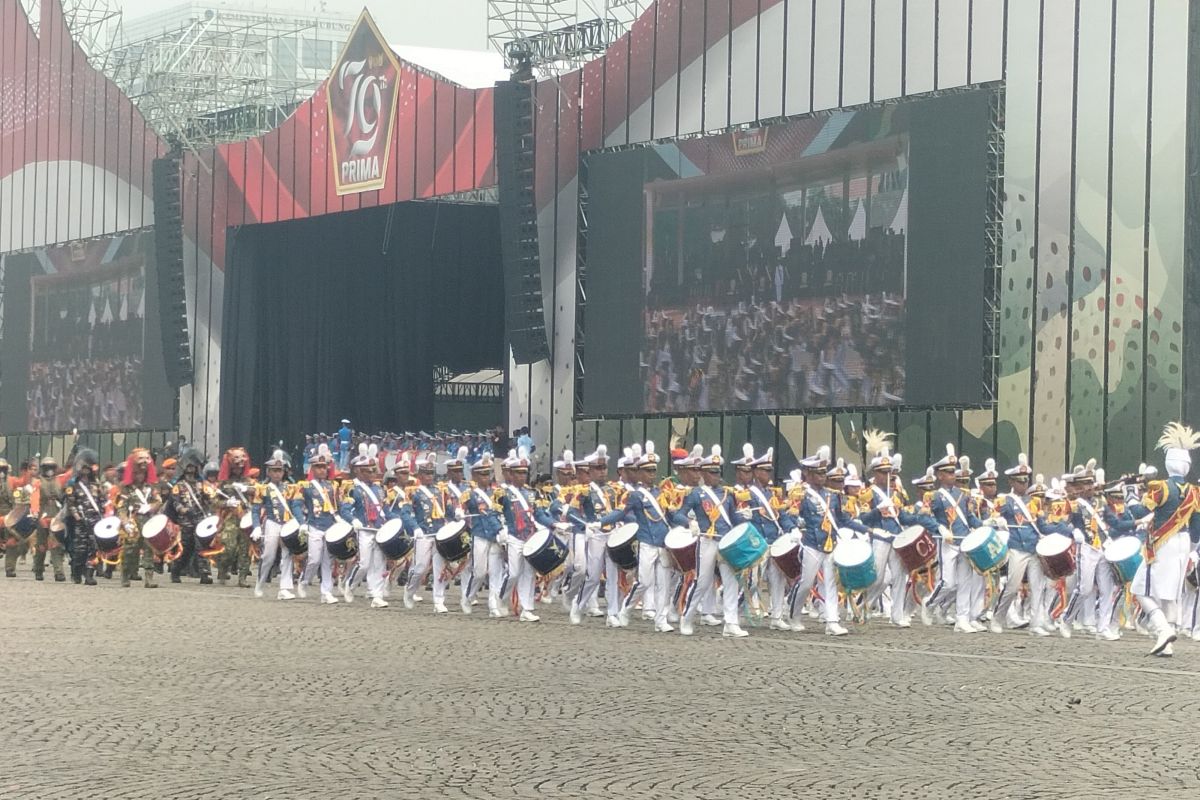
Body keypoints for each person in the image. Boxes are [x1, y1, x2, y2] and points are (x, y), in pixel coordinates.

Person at [1126, 422, 1200, 657]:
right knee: (1170, 593)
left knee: (1140, 588)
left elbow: (1140, 512)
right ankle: (1166, 644)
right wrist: (1193, 549)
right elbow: (1197, 526)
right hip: (1184, 543)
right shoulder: (1194, 492)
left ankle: (1162, 629)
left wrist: (1129, 496)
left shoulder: (1161, 487)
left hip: (1162, 544)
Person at [675, 445, 745, 637]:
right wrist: (690, 523)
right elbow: (678, 515)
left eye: (718, 472)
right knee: (702, 581)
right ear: (704, 474)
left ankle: (731, 622)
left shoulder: (727, 493)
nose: (716, 476)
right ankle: (687, 617)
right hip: (706, 540)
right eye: (712, 473)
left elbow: (733, 518)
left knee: (731, 581)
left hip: (725, 541)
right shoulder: (696, 494)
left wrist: (744, 516)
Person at [340, 443, 390, 608]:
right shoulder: (351, 487)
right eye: (367, 471)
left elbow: (386, 509)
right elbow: (345, 509)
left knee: (379, 563)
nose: (372, 474)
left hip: (378, 528)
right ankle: (350, 585)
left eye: (373, 470)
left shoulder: (378, 489)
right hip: (364, 529)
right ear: (357, 471)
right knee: (364, 564)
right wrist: (353, 520)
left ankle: (377, 595)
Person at [460, 451, 504, 616]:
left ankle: (494, 604)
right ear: (475, 476)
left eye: (488, 474)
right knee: (478, 572)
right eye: (483, 475)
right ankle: (468, 597)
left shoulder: (497, 493)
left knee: (495, 571)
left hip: (496, 536)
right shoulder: (470, 493)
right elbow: (461, 507)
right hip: (479, 534)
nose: (486, 478)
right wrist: (459, 512)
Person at [298, 444, 341, 604]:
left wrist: (341, 519)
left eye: (324, 467)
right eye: (318, 467)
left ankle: (326, 592)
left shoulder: (332, 486)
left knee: (327, 561)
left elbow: (338, 505)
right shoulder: (306, 486)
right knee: (314, 559)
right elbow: (297, 504)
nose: (322, 470)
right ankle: (304, 580)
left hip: (329, 525)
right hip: (314, 525)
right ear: (312, 469)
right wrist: (302, 522)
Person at [114, 448, 163, 589]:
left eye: (143, 473)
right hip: (132, 521)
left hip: (148, 520)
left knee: (149, 549)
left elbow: (158, 501)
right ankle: (125, 575)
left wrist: (151, 507)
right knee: (130, 550)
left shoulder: (151, 487)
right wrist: (125, 522)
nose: (140, 476)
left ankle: (149, 578)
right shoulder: (126, 488)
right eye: (138, 473)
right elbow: (121, 507)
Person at [166, 447, 215, 585]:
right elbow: (175, 502)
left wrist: (209, 497)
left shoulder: (202, 484)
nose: (191, 469)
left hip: (200, 520)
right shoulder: (179, 486)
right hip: (185, 521)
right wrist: (184, 510)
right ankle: (176, 570)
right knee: (185, 549)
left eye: (193, 466)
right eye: (188, 466)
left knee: (202, 547)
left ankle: (205, 573)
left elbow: (209, 500)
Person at [62, 448, 105, 586]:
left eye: (89, 467)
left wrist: (104, 513)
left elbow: (102, 500)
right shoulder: (72, 484)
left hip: (95, 520)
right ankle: (76, 572)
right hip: (80, 521)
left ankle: (89, 574)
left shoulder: (96, 484)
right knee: (80, 549)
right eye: (84, 467)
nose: (86, 470)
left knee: (94, 548)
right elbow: (70, 502)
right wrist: (77, 516)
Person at [32, 456, 67, 582]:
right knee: (41, 546)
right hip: (43, 514)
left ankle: (59, 572)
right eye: (47, 468)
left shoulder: (59, 481)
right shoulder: (37, 482)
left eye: (52, 467)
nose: (50, 470)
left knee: (56, 544)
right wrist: (35, 512)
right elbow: (35, 498)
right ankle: (38, 569)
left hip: (56, 515)